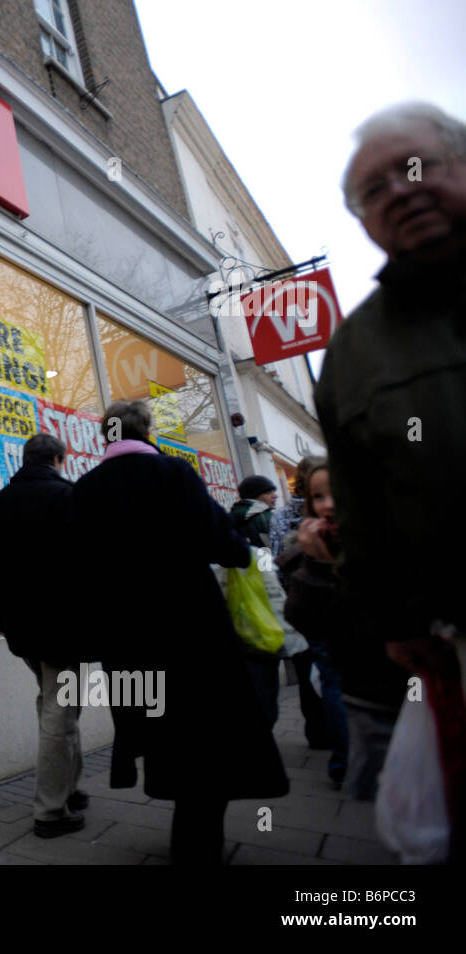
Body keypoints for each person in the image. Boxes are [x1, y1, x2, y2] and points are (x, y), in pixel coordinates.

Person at [322, 102, 466, 842]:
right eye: (373, 190)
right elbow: (365, 509)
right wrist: (399, 625)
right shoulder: (355, 354)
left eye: (415, 167)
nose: (400, 191)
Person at [72, 400, 287, 864]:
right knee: (207, 737)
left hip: (126, 642)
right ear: (147, 430)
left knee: (162, 733)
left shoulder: (85, 490)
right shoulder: (175, 474)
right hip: (191, 632)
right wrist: (242, 553)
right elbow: (224, 545)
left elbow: (78, 570)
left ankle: (186, 824)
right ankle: (197, 841)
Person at [0, 433, 89, 837]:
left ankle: (68, 789)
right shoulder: (70, 498)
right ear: (58, 459)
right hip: (64, 626)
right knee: (60, 708)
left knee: (54, 700)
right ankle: (50, 811)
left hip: (20, 627)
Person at [280, 463, 352, 790]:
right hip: (332, 634)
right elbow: (299, 612)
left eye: (333, 494)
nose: (327, 505)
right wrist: (314, 562)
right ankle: (345, 760)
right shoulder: (306, 541)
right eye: (317, 496)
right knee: (332, 683)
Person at [272, 456, 331, 749]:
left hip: (300, 603)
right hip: (322, 603)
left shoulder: (281, 516)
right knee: (331, 675)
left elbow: (275, 561)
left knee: (311, 672)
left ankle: (319, 734)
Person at [229, 475, 281, 725]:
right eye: (269, 491)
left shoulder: (229, 518)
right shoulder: (266, 519)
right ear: (257, 494)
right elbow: (271, 561)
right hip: (268, 599)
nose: (275, 494)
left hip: (240, 601)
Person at [230, 475, 277, 549]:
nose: (275, 496)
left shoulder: (231, 516)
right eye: (268, 492)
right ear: (255, 495)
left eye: (274, 492)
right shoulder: (267, 518)